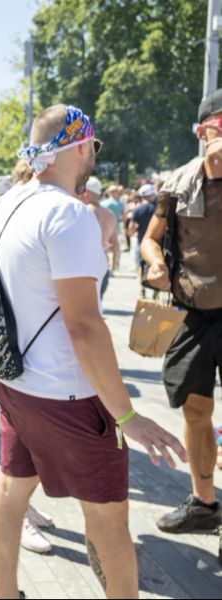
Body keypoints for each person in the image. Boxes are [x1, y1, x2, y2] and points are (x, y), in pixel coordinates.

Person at [0, 104, 186, 599]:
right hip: (69, 395)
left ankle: (4, 593)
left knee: (12, 487)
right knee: (109, 518)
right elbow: (84, 326)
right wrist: (128, 415)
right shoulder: (68, 214)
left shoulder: (4, 204)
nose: (93, 156)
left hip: (14, 379)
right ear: (79, 146)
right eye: (92, 148)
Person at [142, 88, 222, 534]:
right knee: (195, 409)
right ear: (202, 130)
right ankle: (205, 502)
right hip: (193, 314)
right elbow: (151, 238)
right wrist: (155, 262)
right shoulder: (178, 185)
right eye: (219, 126)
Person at [78, 177, 117, 299]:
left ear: (87, 193)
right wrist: (114, 264)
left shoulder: (84, 211)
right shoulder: (109, 214)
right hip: (103, 263)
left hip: (86, 265)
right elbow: (115, 243)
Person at [127, 182, 157, 269]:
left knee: (143, 267)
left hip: (143, 242)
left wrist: (131, 233)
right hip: (160, 243)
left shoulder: (138, 209)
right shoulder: (163, 208)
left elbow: (130, 229)